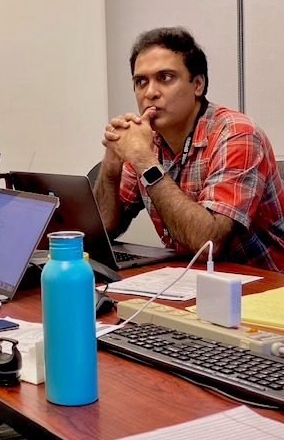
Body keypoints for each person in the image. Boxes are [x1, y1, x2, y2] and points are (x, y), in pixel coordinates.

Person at [95, 26, 284, 272]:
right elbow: (105, 228)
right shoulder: (147, 139)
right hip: (190, 283)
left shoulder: (238, 134)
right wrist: (112, 165)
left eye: (165, 78)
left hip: (264, 289)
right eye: (141, 82)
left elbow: (208, 244)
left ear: (197, 84)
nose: (150, 93)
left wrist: (144, 160)